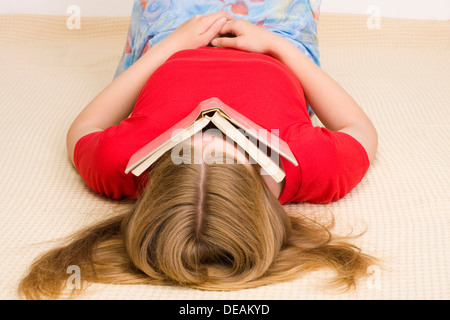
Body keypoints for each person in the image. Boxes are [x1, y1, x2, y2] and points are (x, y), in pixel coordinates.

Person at [18, 10, 378, 299]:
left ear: (155, 183)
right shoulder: (312, 166)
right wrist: (279, 48)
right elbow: (357, 128)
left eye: (184, 145)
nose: (211, 123)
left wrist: (171, 46)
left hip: (171, 36)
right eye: (237, 145)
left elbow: (84, 128)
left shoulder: (121, 163)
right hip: (275, 37)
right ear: (260, 191)